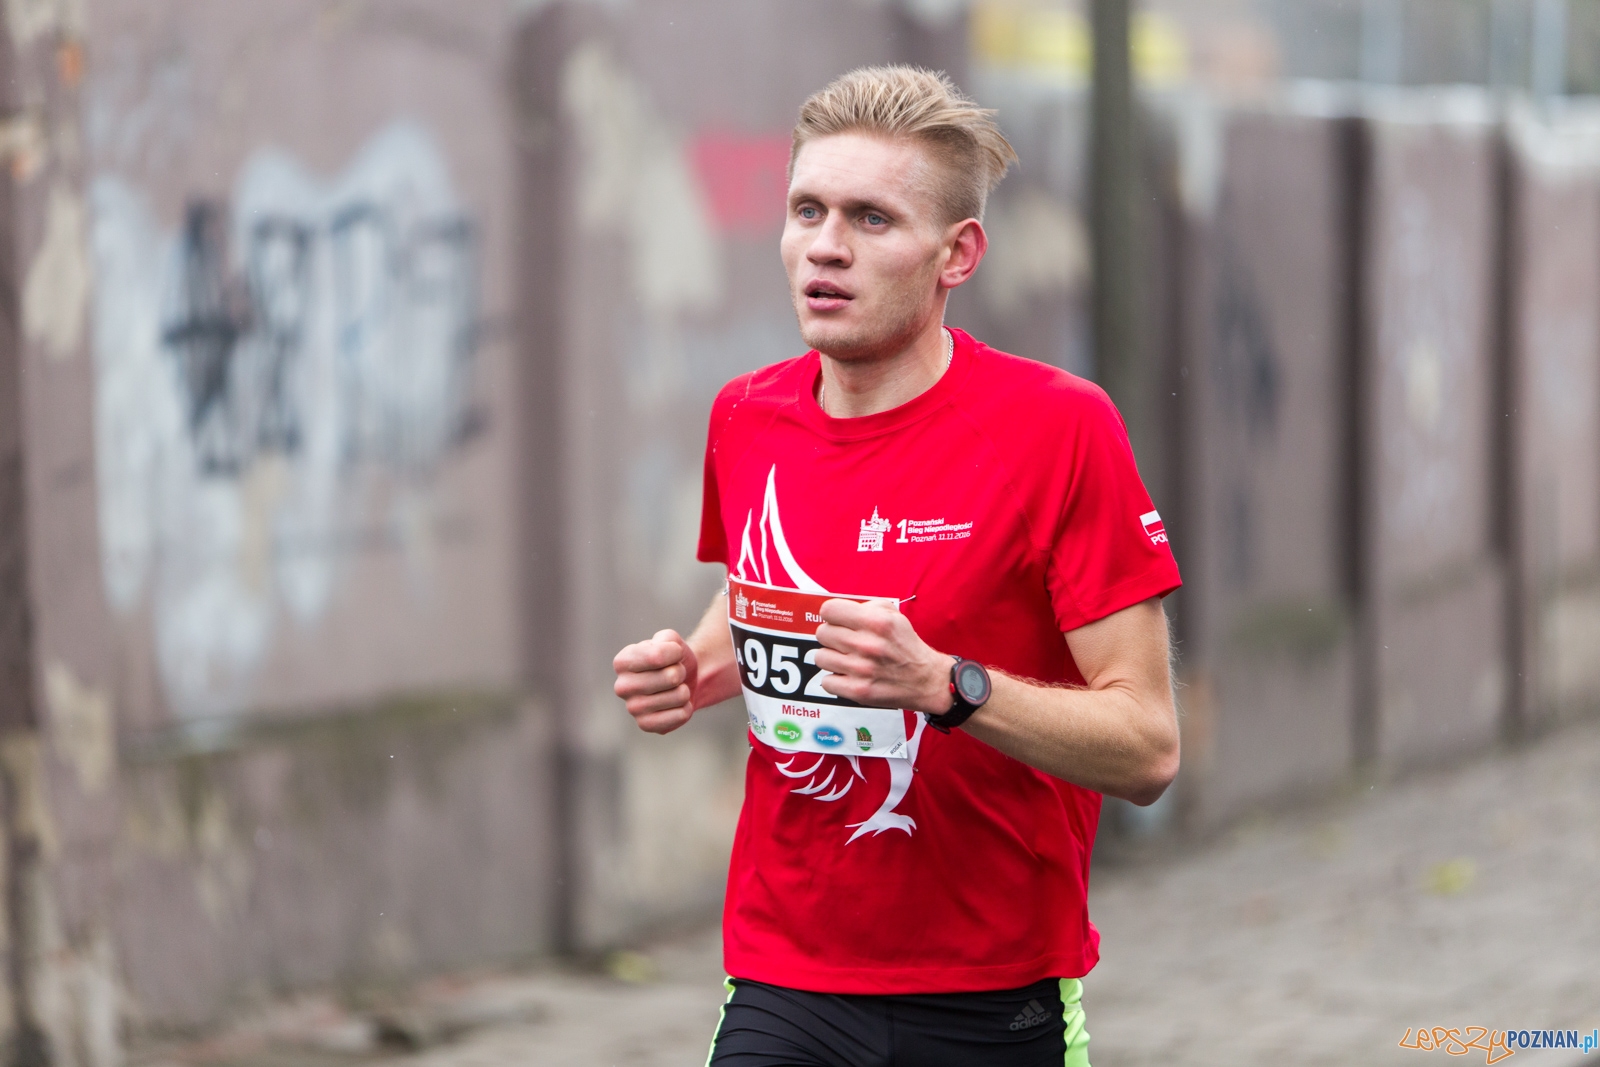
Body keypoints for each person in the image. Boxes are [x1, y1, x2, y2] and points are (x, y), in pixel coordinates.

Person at [611, 65, 1180, 1067]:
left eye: (871, 220)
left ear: (956, 253)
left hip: (991, 987)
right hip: (787, 975)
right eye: (807, 210)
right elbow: (766, 584)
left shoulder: (1057, 428)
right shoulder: (747, 417)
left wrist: (943, 684)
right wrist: (696, 664)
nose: (824, 246)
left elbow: (1145, 745)